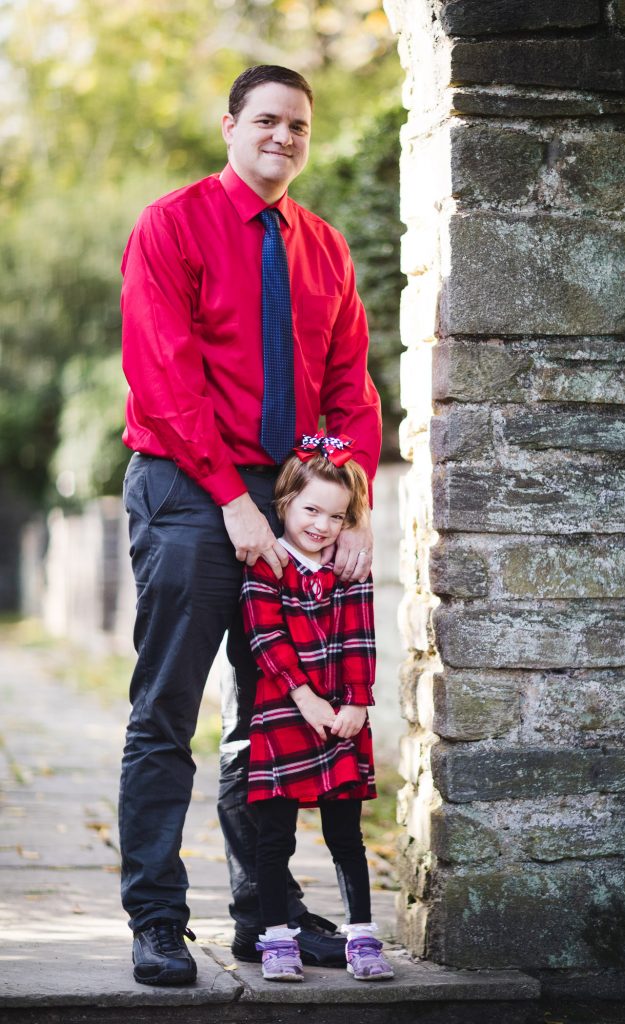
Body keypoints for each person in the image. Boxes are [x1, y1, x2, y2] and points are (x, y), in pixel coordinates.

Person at [118, 63, 381, 987]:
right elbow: (162, 370)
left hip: (288, 501)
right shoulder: (173, 225)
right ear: (228, 124)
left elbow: (350, 383)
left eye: (298, 126)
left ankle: (260, 909)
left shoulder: (324, 248)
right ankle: (156, 920)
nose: (282, 137)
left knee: (267, 716)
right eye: (266, 120)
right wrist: (231, 499)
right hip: (191, 491)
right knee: (169, 713)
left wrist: (350, 504)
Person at [240, 434, 394, 982]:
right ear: (283, 502)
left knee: (346, 836)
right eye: (311, 509)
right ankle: (277, 939)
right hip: (285, 713)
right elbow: (265, 636)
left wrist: (356, 702)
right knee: (275, 835)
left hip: (343, 718)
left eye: (337, 514)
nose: (322, 524)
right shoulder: (268, 565)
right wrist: (304, 696)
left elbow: (360, 637)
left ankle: (361, 937)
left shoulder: (350, 569)